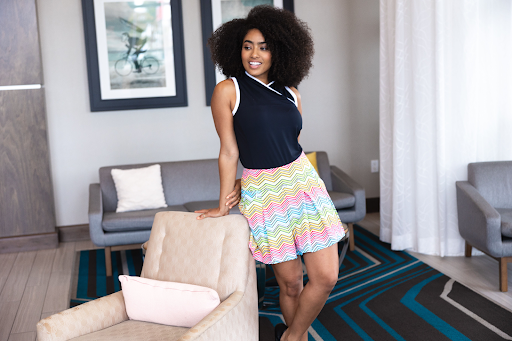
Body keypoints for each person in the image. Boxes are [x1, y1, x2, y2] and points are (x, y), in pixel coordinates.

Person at [195, 6, 345, 341]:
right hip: (264, 193)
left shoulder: (291, 93)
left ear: (279, 50)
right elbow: (229, 151)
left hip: (303, 184)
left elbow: (292, 144)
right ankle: (300, 338)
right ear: (238, 49)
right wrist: (225, 201)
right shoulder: (228, 91)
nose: (254, 54)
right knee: (290, 283)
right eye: (248, 45)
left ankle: (290, 336)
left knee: (326, 277)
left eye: (263, 46)